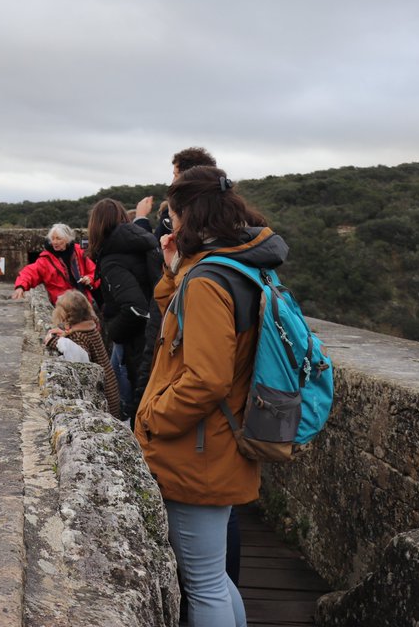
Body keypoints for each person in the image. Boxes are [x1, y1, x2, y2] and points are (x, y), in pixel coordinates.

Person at [135, 165, 285, 627]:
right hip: (223, 437)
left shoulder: (206, 281)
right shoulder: (240, 265)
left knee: (202, 585)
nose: (170, 228)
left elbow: (206, 378)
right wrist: (172, 270)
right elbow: (181, 332)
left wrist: (150, 419)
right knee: (216, 579)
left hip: (197, 449)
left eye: (172, 218)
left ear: (188, 218)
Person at [85, 198, 161, 418]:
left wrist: (112, 331)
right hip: (157, 331)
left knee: (128, 407)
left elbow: (135, 309)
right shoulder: (141, 243)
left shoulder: (112, 258)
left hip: (137, 340)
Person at [44, 289, 123, 419]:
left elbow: (79, 356)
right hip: (111, 390)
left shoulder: (79, 335)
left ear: (64, 315)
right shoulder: (89, 328)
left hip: (104, 394)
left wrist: (55, 341)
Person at [11, 223, 97, 306]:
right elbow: (30, 272)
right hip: (63, 305)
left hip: (84, 301)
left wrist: (90, 278)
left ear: (67, 239)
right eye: (52, 239)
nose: (54, 242)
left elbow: (94, 271)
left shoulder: (79, 252)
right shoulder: (46, 259)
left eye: (58, 238)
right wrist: (20, 287)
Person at [154, 146, 217, 240]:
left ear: (189, 177)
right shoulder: (226, 211)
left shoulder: (178, 213)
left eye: (176, 175)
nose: (172, 182)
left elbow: (156, 244)